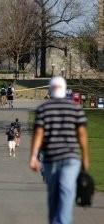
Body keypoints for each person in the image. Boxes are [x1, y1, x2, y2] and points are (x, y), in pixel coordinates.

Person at [29, 76, 90, 224]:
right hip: (70, 158)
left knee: (54, 194)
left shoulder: (43, 109)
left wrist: (34, 156)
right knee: (66, 192)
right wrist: (85, 157)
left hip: (51, 158)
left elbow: (38, 134)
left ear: (50, 90)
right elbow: (81, 133)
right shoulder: (76, 108)